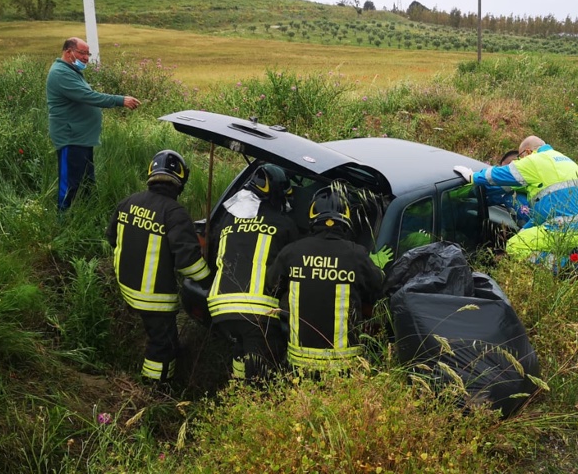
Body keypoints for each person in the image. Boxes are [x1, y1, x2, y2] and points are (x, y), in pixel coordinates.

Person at [105, 150, 211, 388]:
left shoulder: (128, 202)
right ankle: (155, 388)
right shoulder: (175, 214)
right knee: (163, 345)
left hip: (127, 287)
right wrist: (209, 282)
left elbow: (112, 238)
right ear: (180, 180)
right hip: (154, 299)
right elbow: (189, 264)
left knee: (163, 336)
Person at [268, 183, 388, 374]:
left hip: (299, 364)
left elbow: (272, 286)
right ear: (346, 217)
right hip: (343, 366)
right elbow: (377, 290)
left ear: (312, 217)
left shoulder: (292, 252)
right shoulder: (356, 255)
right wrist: (375, 267)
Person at [207, 164, 299, 382]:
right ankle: (255, 395)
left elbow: (214, 252)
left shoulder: (228, 218)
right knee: (262, 368)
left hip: (219, 308)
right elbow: (296, 265)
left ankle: (239, 389)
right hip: (257, 310)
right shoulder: (284, 224)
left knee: (241, 351)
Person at [454, 135, 578, 264]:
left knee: (515, 246)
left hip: (563, 228)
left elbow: (502, 173)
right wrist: (524, 230)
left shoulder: (534, 161)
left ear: (527, 152)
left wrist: (473, 177)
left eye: (520, 157)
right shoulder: (565, 160)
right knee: (526, 235)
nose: (519, 161)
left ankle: (567, 266)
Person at [47, 37, 141, 211]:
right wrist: (120, 100)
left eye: (88, 54)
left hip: (81, 138)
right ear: (68, 52)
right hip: (70, 138)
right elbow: (88, 96)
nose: (86, 58)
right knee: (70, 185)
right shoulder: (60, 73)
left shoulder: (71, 71)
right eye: (82, 53)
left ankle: (86, 216)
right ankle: (63, 219)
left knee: (86, 183)